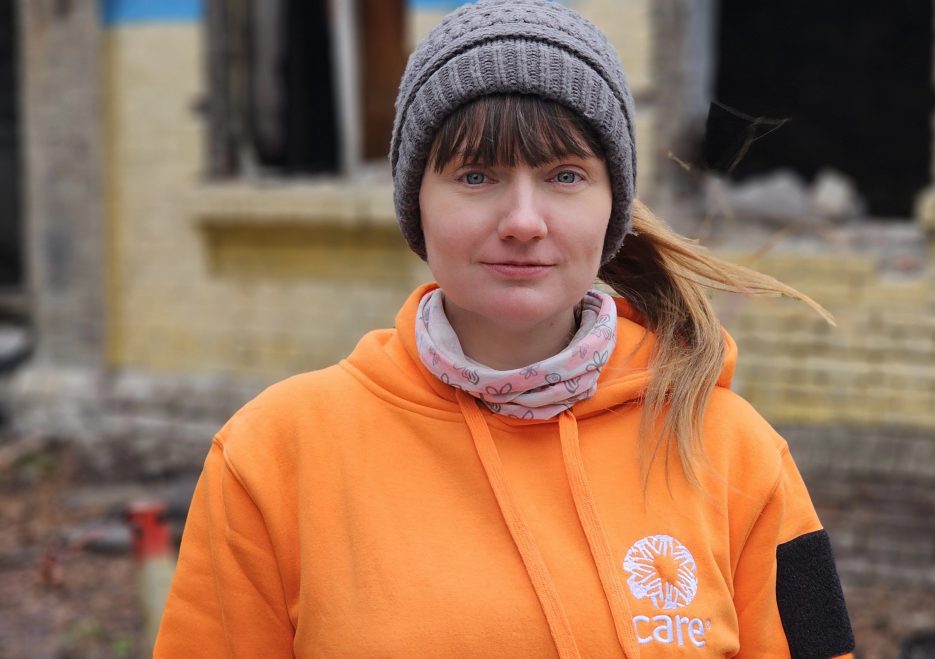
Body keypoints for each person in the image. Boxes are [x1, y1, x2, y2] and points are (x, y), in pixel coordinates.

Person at [155, 1, 855, 657]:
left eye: (565, 175)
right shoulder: (273, 456)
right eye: (476, 175)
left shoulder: (736, 454)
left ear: (613, 206)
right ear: (415, 204)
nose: (523, 221)